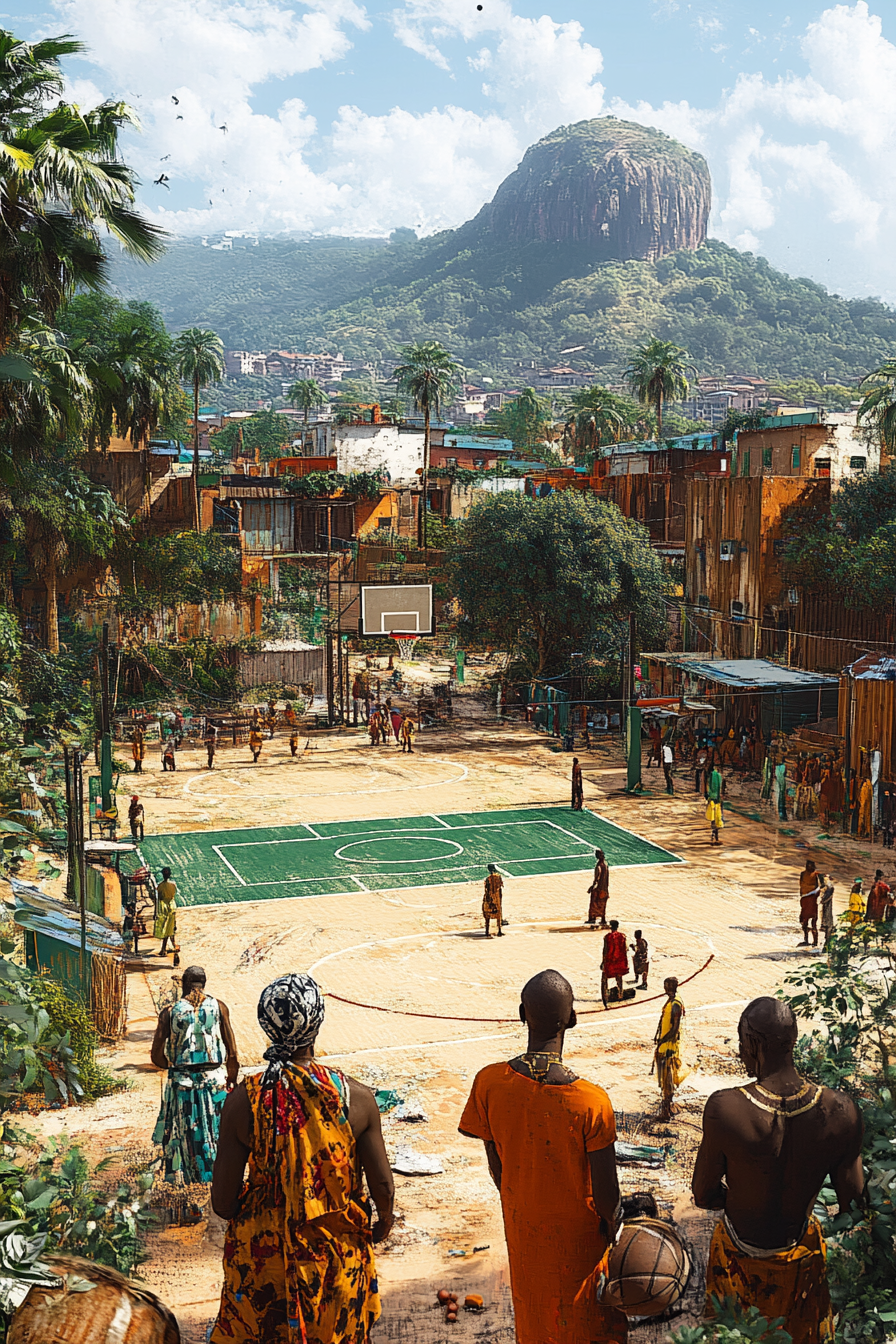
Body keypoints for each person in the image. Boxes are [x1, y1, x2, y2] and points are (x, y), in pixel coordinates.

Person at [210, 973, 393, 1344]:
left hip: (263, 1268)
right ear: (317, 1023)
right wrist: (382, 1224)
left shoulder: (244, 1101)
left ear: (266, 1025)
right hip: (335, 1262)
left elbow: (223, 1202)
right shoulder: (355, 1098)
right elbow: (383, 1187)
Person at [459, 970, 627, 1344]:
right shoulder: (591, 1101)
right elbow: (606, 1198)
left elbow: (497, 1166)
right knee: (586, 1325)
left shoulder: (489, 1083)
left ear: (522, 1013)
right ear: (572, 1018)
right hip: (580, 1246)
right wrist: (619, 1219)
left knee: (536, 1319)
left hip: (525, 1232)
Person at [692, 998, 864, 1344]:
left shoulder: (725, 1109)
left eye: (743, 1045)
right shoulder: (840, 1111)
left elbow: (705, 1194)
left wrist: (748, 1198)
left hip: (738, 1262)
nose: (741, 1054)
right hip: (801, 1259)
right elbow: (855, 1207)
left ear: (753, 1045)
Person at [151, 965, 239, 1185]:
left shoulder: (170, 1011)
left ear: (184, 984)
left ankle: (187, 1179)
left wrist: (173, 1066)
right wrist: (231, 1078)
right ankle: (216, 1177)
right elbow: (233, 1053)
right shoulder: (219, 1007)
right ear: (204, 983)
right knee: (217, 1132)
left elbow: (156, 1056)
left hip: (183, 1083)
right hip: (214, 1081)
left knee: (183, 1134)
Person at [654, 977, 688, 1121]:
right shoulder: (671, 1001)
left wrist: (662, 1040)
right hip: (665, 1046)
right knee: (665, 1079)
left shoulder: (675, 1004)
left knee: (667, 1080)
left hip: (669, 1048)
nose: (665, 988)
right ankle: (666, 1108)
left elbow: (674, 1028)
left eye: (667, 985)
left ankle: (665, 1112)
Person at [155, 867, 179, 963]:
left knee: (165, 929)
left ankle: (163, 949)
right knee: (171, 927)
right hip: (172, 906)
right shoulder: (173, 885)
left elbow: (160, 897)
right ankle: (173, 945)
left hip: (164, 907)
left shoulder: (160, 886)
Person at [600, 919, 628, 1004]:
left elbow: (605, 950)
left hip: (610, 960)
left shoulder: (607, 937)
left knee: (604, 978)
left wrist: (603, 962)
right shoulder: (622, 936)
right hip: (619, 960)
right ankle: (620, 994)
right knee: (619, 977)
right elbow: (625, 949)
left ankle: (605, 996)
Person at [586, 848, 610, 928]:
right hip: (605, 888)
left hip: (599, 889)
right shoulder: (605, 865)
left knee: (594, 903)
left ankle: (592, 918)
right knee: (602, 904)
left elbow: (597, 878)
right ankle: (603, 919)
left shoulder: (599, 866)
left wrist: (592, 887)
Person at [799, 859, 820, 947]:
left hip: (810, 900)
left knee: (812, 922)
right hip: (806, 900)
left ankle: (814, 942)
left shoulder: (816, 875)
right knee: (805, 922)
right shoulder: (803, 874)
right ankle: (807, 940)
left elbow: (820, 887)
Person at [482, 864, 504, 938]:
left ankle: (487, 931)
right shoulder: (498, 877)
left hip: (489, 897)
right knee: (498, 913)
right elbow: (501, 886)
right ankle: (499, 930)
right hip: (497, 897)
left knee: (487, 914)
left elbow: (486, 889)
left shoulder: (488, 879)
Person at [705, 765, 724, 845]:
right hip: (717, 801)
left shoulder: (709, 778)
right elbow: (721, 789)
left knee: (713, 819)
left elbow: (707, 788)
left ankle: (714, 837)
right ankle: (715, 837)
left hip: (711, 800)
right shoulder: (719, 777)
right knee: (717, 818)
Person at [819, 873, 836, 947]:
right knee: (826, 918)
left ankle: (827, 938)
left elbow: (829, 896)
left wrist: (823, 901)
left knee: (827, 919)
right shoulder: (827, 887)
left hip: (827, 905)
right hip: (826, 905)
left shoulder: (829, 887)